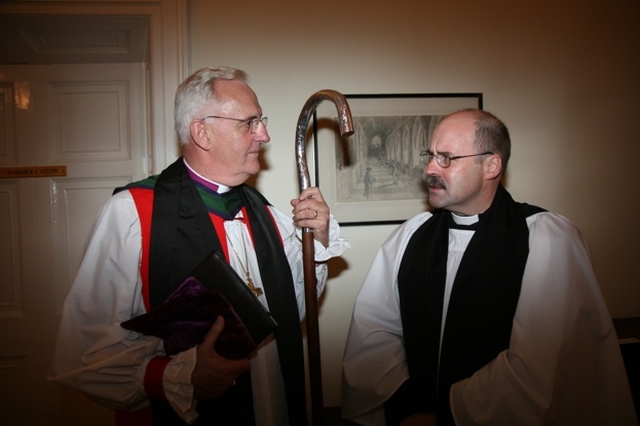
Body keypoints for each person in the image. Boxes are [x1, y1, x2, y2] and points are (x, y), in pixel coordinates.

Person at [48, 66, 350, 426]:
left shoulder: (266, 214)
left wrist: (314, 244)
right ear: (202, 132)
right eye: (249, 122)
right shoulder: (133, 214)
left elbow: (290, 313)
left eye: (261, 120)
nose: (265, 135)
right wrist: (173, 376)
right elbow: (85, 353)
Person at [341, 109, 637, 425]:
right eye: (430, 155)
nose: (429, 169)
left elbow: (542, 364)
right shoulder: (410, 236)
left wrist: (447, 415)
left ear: (491, 165)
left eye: (446, 158)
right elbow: (374, 329)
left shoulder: (545, 238)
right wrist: (403, 399)